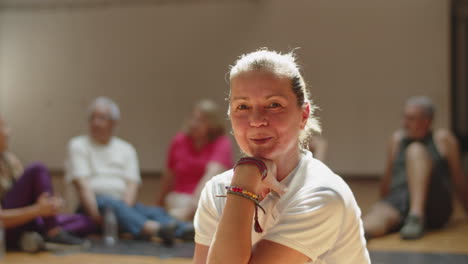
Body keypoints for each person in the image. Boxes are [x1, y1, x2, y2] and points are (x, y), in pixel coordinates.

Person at [192, 49, 370, 264]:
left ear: (303, 115)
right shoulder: (217, 190)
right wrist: (245, 178)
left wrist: (246, 177)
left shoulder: (322, 195)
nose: (256, 119)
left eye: (274, 105)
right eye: (243, 106)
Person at [66, 97, 193, 245]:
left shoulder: (126, 149)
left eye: (101, 118)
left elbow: (132, 184)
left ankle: (187, 230)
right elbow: (83, 186)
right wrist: (96, 217)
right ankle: (155, 229)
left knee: (154, 212)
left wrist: (124, 211)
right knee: (109, 202)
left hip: (123, 204)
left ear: (113, 123)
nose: (95, 122)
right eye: (92, 118)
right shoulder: (78, 145)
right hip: (92, 206)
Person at [363, 96, 468, 240]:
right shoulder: (396, 140)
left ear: (427, 121)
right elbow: (387, 182)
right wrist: (384, 206)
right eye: (404, 118)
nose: (404, 123)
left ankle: (416, 215)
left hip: (434, 202)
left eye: (411, 119)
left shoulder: (443, 139)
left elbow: (459, 180)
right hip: (400, 200)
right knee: (372, 220)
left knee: (415, 150)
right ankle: (353, 237)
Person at [0, 115, 92, 252]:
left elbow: (29, 199)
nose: (9, 131)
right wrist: (37, 210)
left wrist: (51, 205)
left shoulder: (10, 160)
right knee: (38, 169)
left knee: (86, 222)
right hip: (5, 228)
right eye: (4, 126)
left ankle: (36, 238)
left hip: (24, 222)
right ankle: (52, 233)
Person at [156, 99, 233, 221]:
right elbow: (169, 175)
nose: (194, 123)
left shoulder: (221, 142)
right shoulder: (179, 141)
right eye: (193, 118)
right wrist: (159, 204)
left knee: (211, 206)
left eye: (201, 120)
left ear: (212, 124)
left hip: (208, 198)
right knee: (178, 203)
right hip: (180, 198)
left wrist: (193, 205)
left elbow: (212, 173)